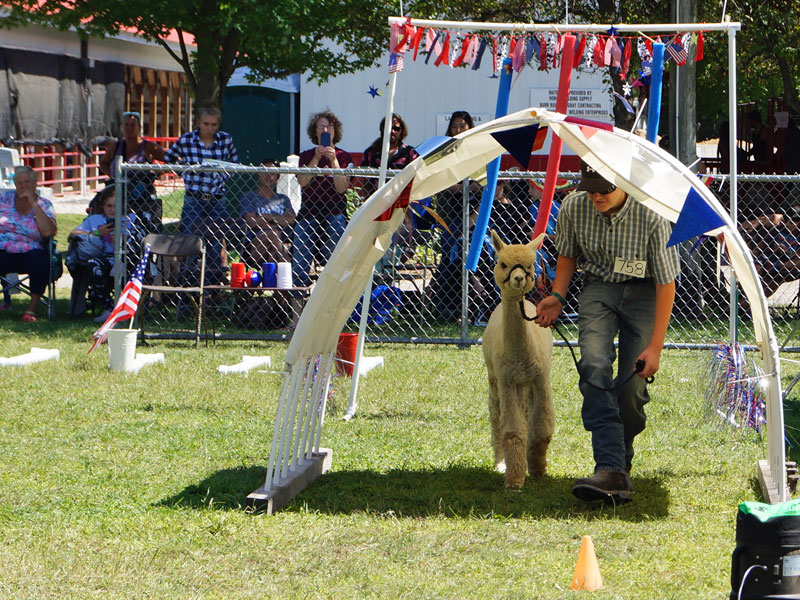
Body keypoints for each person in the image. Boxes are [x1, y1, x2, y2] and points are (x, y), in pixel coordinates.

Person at [534, 161, 679, 504]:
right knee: (594, 365)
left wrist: (655, 348)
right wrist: (557, 296)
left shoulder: (652, 214)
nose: (597, 196)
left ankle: (618, 464)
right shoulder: (573, 206)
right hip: (598, 286)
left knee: (632, 384)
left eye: (605, 190)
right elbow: (567, 255)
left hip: (644, 291)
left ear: (625, 185)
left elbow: (666, 284)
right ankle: (610, 466)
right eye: (591, 189)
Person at [163, 105, 238, 285]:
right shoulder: (187, 140)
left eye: (213, 125)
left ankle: (212, 288)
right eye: (206, 124)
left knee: (214, 244)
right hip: (194, 198)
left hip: (217, 199)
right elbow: (168, 158)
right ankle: (186, 288)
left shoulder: (225, 140)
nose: (210, 129)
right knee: (190, 242)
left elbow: (234, 164)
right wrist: (185, 172)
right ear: (199, 122)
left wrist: (221, 175)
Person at [428, 110, 483, 320]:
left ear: (469, 127)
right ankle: (446, 306)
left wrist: (467, 188)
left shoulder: (476, 151)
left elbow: (482, 182)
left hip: (472, 213)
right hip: (449, 214)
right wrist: (460, 188)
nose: (458, 130)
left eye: (462, 125)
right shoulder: (444, 150)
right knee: (450, 256)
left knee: (465, 258)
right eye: (454, 126)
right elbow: (441, 180)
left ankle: (468, 305)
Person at [292, 110, 352, 288]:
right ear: (315, 131)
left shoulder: (343, 157)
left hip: (335, 210)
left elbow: (341, 188)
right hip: (310, 210)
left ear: (335, 131)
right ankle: (298, 291)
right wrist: (317, 158)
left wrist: (334, 161)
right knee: (302, 236)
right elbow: (302, 182)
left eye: (329, 126)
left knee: (337, 229)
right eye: (321, 127)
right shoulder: (306, 156)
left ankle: (332, 287)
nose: (325, 130)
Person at [67, 186, 144, 322]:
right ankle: (109, 308)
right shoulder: (95, 220)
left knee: (125, 267)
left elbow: (142, 238)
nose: (112, 210)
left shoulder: (131, 220)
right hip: (102, 257)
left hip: (127, 258)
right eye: (109, 206)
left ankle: (125, 308)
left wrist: (124, 239)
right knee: (93, 266)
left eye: (116, 206)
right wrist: (97, 233)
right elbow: (72, 235)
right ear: (103, 206)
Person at [0, 166, 58, 322]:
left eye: (27, 182)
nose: (23, 186)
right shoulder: (3, 200)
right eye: (19, 183)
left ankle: (32, 308)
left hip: (30, 249)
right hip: (3, 248)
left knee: (41, 260)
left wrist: (33, 203)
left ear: (35, 184)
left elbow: (48, 233)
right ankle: (6, 301)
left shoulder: (44, 204)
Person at [361, 113, 420, 264]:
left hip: (401, 206)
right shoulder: (371, 152)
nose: (392, 131)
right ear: (382, 129)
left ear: (402, 131)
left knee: (402, 242)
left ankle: (395, 268)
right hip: (377, 204)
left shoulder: (410, 153)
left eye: (396, 128)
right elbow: (364, 181)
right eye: (388, 127)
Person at [98, 111, 166, 229]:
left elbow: (170, 159)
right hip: (118, 191)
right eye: (126, 125)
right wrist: (114, 176)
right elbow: (103, 162)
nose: (129, 127)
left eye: (133, 124)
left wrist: (157, 173)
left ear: (139, 128)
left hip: (141, 194)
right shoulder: (115, 146)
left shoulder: (148, 147)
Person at [240, 158, 296, 264]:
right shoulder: (249, 197)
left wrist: (268, 217)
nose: (269, 176)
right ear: (259, 174)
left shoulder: (283, 199)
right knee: (273, 234)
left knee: (273, 255)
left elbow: (291, 220)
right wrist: (278, 224)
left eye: (273, 173)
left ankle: (278, 275)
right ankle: (289, 270)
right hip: (256, 245)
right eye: (265, 172)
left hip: (280, 245)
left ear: (277, 178)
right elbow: (252, 222)